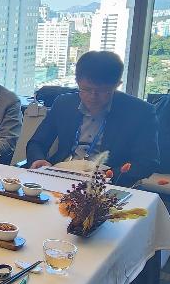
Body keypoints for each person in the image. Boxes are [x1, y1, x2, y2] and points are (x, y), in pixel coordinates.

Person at [26, 51, 159, 186]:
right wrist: (38, 160)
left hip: (107, 182)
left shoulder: (140, 112)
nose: (93, 96)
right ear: (77, 82)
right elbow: (37, 143)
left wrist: (107, 175)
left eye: (102, 91)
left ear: (117, 84)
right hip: (61, 175)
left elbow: (147, 162)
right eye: (86, 89)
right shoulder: (64, 103)